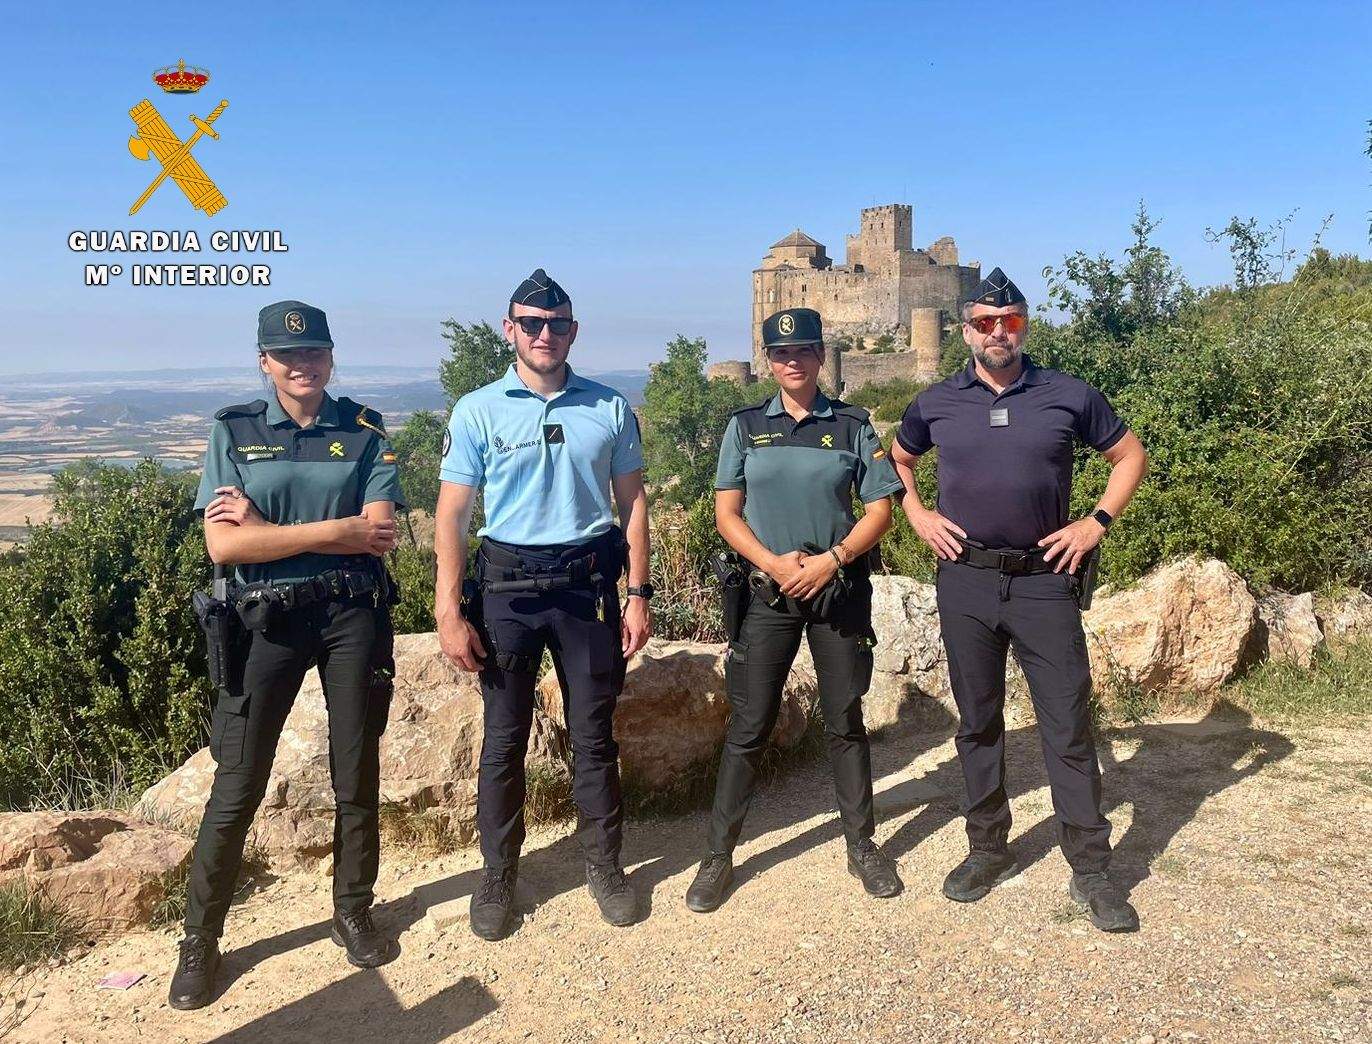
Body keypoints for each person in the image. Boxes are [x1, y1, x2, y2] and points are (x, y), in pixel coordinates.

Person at [889, 268, 1149, 932]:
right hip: (967, 579)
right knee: (977, 723)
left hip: (1044, 581)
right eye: (984, 322)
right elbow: (895, 458)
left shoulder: (1068, 395)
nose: (997, 333)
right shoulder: (936, 400)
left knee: (1066, 725)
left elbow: (1129, 457)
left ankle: (1091, 870)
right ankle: (987, 850)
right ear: (966, 330)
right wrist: (916, 514)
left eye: (1009, 322)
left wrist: (1096, 523)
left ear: (1023, 325)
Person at [169, 300, 405, 1010]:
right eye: (287, 356)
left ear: (331, 358)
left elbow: (381, 534)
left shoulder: (363, 430)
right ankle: (199, 940)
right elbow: (225, 547)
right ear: (265, 361)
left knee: (354, 768)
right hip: (263, 620)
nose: (303, 366)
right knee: (237, 783)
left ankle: (352, 909)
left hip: (350, 615)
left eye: (315, 354)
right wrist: (335, 530)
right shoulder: (232, 430)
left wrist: (270, 527)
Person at [434, 269, 652, 940]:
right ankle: (498, 876)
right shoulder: (477, 409)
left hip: (586, 589)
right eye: (531, 323)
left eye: (556, 324)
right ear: (510, 330)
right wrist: (447, 608)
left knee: (594, 737)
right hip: (507, 591)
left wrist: (639, 594)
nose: (544, 334)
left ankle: (604, 866)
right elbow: (453, 514)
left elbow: (634, 505)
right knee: (503, 741)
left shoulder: (609, 407)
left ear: (573, 331)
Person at [685, 306, 906, 914]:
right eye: (781, 353)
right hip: (769, 590)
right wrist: (774, 564)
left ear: (819, 357)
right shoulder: (745, 426)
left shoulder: (855, 426)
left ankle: (862, 845)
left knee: (844, 720)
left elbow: (880, 512)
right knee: (749, 726)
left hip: (835, 588)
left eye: (804, 351)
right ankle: (718, 857)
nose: (793, 361)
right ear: (768, 360)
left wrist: (831, 560)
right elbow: (727, 513)